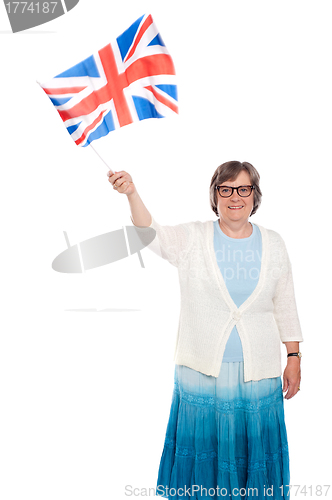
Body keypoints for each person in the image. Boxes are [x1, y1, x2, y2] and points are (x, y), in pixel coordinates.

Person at [107, 161, 303, 500]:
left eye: (243, 189)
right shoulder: (193, 238)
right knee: (204, 462)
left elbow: (285, 301)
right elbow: (150, 232)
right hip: (202, 373)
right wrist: (132, 194)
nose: (235, 197)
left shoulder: (274, 243)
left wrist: (294, 356)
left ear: (255, 196)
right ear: (215, 196)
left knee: (253, 461)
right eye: (225, 189)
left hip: (257, 375)